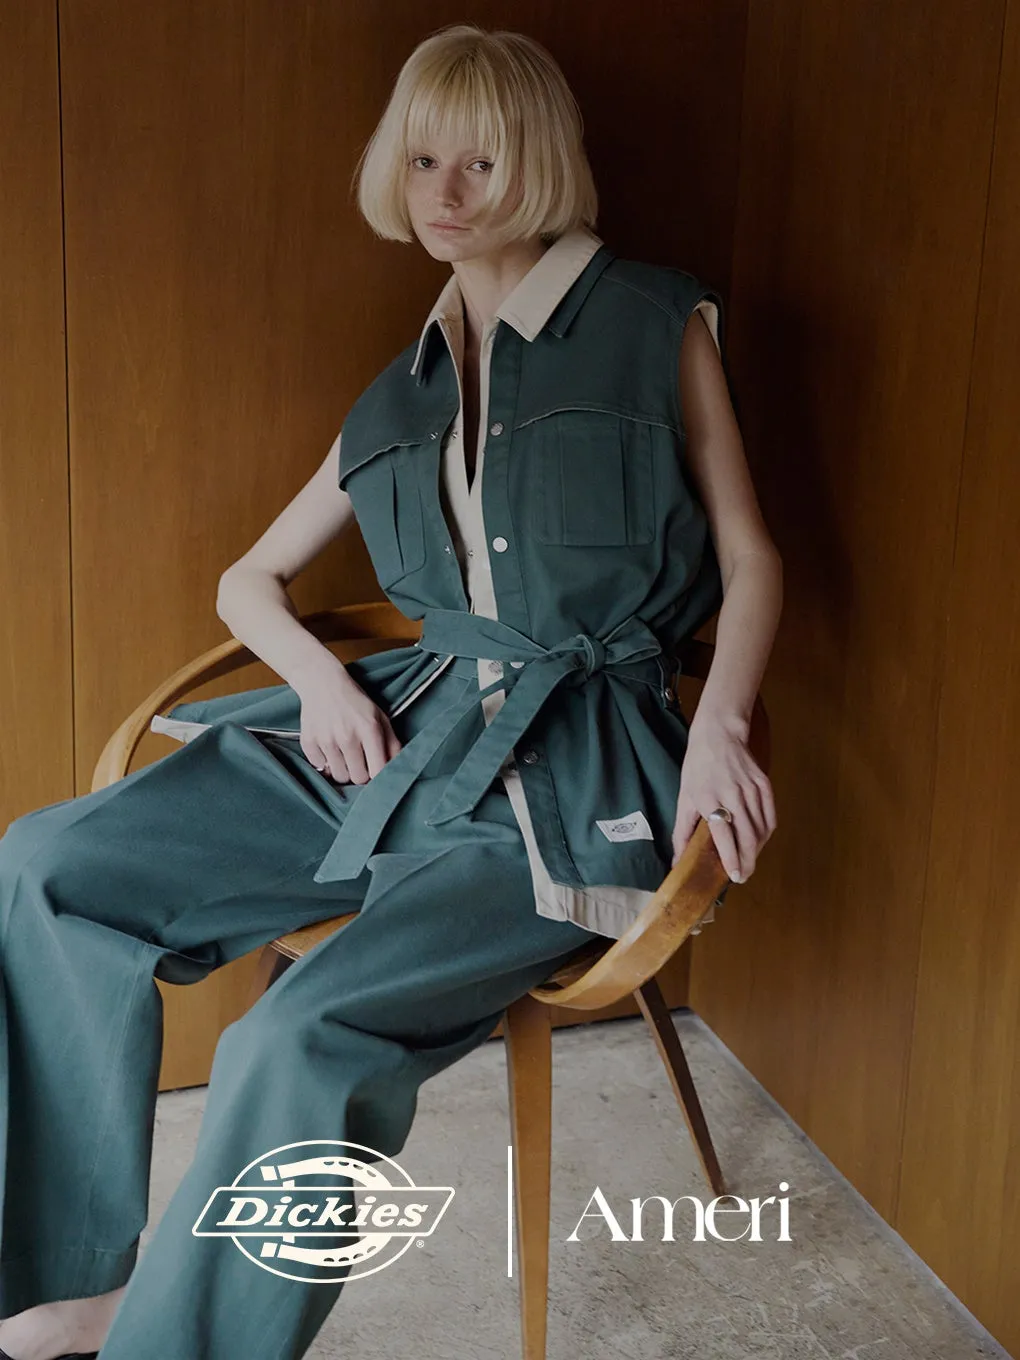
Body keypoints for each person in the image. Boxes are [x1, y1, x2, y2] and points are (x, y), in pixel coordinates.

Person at [0, 21, 781, 1360]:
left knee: (294, 1037)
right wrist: (319, 685)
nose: (446, 193)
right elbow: (249, 581)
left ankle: (168, 1335)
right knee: (47, 863)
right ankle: (64, 1275)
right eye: (423, 160)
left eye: (480, 161)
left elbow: (753, 558)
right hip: (400, 734)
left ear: (539, 163)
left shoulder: (656, 322)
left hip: (574, 773)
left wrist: (719, 729)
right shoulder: (401, 391)